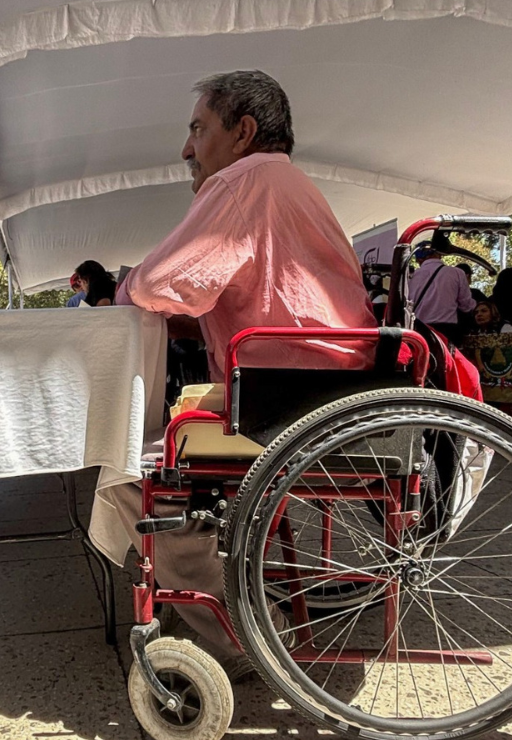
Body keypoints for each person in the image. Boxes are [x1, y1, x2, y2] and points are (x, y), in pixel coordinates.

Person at [100, 70, 376, 672]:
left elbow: (155, 282)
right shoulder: (286, 183)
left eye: (198, 129)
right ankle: (212, 592)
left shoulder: (241, 181)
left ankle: (239, 633)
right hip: (324, 383)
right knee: (163, 437)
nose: (187, 149)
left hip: (287, 395)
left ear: (243, 132)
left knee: (128, 463)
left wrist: (120, 294)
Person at [407, 234, 477, 344]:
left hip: (420, 331)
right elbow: (466, 306)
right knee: (447, 360)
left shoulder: (410, 277)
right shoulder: (457, 273)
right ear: (439, 254)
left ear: (419, 259)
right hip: (447, 331)